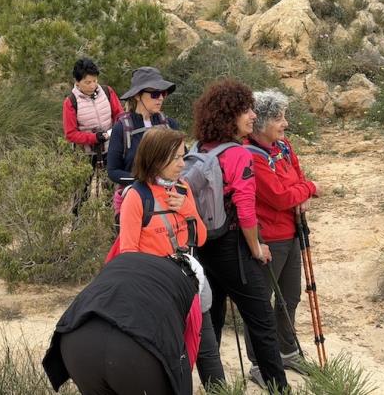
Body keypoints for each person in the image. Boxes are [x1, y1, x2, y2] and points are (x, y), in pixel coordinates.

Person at [190, 78, 288, 392]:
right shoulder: (239, 154)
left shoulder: (199, 148)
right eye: (246, 110)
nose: (253, 116)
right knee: (262, 320)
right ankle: (278, 387)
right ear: (229, 115)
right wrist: (256, 248)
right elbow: (246, 210)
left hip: (204, 245)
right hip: (233, 247)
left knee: (213, 317)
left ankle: (215, 387)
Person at [117, 128, 226, 389]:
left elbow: (200, 238)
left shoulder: (182, 188)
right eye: (175, 157)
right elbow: (128, 254)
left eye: (182, 156)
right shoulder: (136, 197)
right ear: (156, 158)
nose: (182, 164)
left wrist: (188, 210)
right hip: (158, 293)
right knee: (173, 359)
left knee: (208, 351)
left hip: (189, 284)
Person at [242, 89, 320, 387]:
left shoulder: (283, 147)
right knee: (261, 302)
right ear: (260, 122)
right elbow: (278, 196)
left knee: (290, 296)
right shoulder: (251, 155)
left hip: (291, 232)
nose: (285, 123)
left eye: (284, 116)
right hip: (267, 238)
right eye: (278, 118)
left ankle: (287, 351)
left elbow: (297, 179)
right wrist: (309, 189)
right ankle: (258, 363)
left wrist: (302, 192)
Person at [43, 251, 200, 395]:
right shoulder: (191, 289)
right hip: (135, 356)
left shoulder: (125, 260)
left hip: (77, 342)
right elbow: (190, 351)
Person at [106, 66, 180, 188]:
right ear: (137, 95)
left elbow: (183, 160)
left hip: (167, 195)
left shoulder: (170, 125)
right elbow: (113, 171)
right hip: (136, 195)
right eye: (155, 94)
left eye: (163, 93)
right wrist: (144, 181)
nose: (161, 98)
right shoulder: (121, 128)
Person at [62, 57, 124, 166]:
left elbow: (120, 115)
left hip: (113, 149)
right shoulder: (71, 102)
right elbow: (70, 134)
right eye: (87, 82)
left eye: (95, 81)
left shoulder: (107, 92)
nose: (92, 86)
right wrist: (94, 138)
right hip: (87, 157)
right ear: (77, 82)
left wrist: (115, 130)